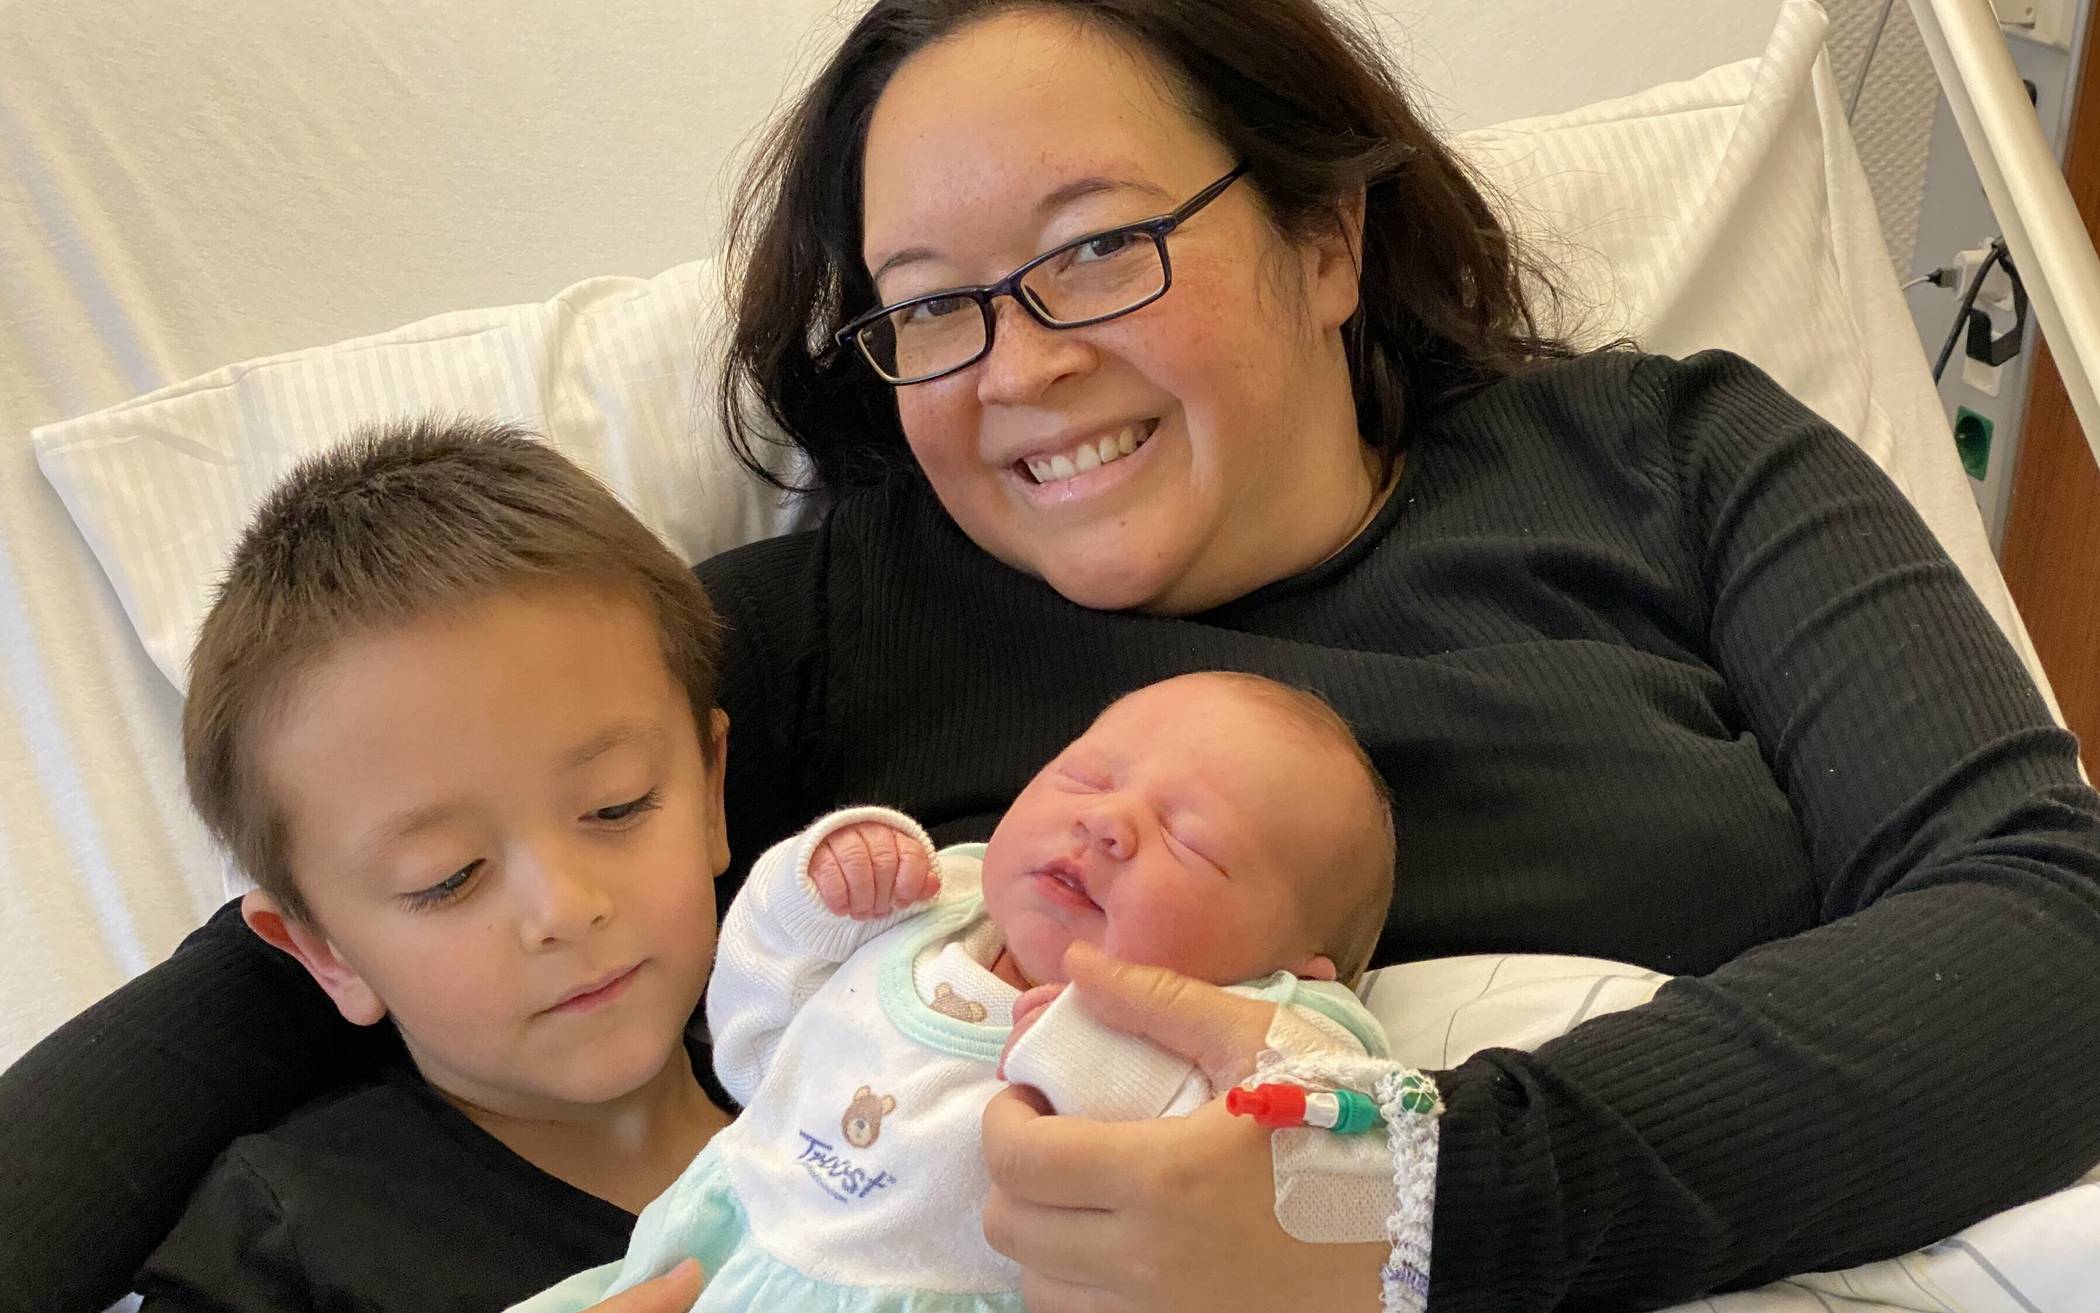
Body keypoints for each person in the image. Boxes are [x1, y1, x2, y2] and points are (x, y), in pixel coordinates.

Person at [4, 1, 2099, 1311]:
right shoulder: (820, 632)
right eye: (930, 302)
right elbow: (294, 965)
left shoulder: (1673, 462)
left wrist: (1403, 1204)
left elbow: (2052, 928)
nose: (1016, 366)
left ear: (1327, 237)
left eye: (1098, 246)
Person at [513, 671, 1397, 1312]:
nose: (1106, 821)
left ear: (1295, 966)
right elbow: (753, 1043)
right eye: (1086, 777)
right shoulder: (934, 901)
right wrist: (813, 895)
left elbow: (1351, 1150)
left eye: (1192, 841)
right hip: (717, 1251)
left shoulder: (1259, 1025)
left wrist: (1099, 1050)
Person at [129, 419, 738, 1310]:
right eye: (447, 877)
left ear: (712, 794)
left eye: (617, 806)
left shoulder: (857, 1081)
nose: (564, 907)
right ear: (326, 951)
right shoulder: (291, 1235)